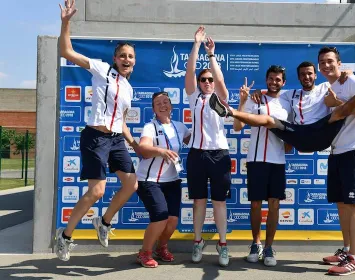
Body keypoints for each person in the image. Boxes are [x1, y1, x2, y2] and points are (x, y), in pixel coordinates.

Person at [55, 0, 139, 261]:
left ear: (134, 62)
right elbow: (67, 52)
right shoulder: (102, 69)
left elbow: (122, 120)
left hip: (116, 140)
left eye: (131, 57)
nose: (126, 59)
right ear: (115, 59)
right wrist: (66, 23)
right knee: (97, 191)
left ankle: (104, 222)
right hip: (95, 137)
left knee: (131, 184)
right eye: (123, 55)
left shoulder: (129, 88)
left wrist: (132, 142)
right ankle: (65, 236)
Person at [209, 61, 355, 153]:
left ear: (316, 75)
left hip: (322, 133)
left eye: (309, 73)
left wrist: (348, 73)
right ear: (298, 78)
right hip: (299, 135)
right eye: (302, 75)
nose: (306, 77)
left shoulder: (326, 87)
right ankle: (229, 111)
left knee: (338, 113)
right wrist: (257, 92)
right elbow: (272, 91)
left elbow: (337, 77)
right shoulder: (290, 93)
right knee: (270, 120)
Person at [316, 47, 355, 276]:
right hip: (337, 151)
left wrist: (338, 102)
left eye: (330, 61)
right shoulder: (328, 87)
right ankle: (347, 250)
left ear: (339, 63)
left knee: (353, 205)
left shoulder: (354, 82)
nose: (326, 65)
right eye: (322, 62)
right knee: (341, 204)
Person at [233, 70, 291, 267]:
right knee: (256, 204)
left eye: (278, 79)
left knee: (274, 205)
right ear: (266, 80)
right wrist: (242, 101)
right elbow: (237, 127)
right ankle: (255, 243)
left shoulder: (287, 102)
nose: (274, 82)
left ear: (283, 82)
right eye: (271, 78)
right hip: (256, 159)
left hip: (278, 161)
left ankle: (268, 247)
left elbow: (292, 135)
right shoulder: (254, 98)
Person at [185, 26, 232, 267]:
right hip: (196, 155)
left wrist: (212, 54)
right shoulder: (194, 98)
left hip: (219, 154)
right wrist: (196, 45)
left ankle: (223, 244)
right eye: (203, 80)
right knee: (199, 201)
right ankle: (197, 241)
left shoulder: (222, 97)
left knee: (219, 202)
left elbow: (221, 80)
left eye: (209, 79)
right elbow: (190, 70)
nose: (206, 82)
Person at [135, 91, 191, 268]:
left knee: (173, 220)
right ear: (153, 108)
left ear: (171, 106)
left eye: (166, 101)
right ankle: (144, 252)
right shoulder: (150, 127)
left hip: (172, 180)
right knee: (160, 217)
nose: (162, 105)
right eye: (158, 103)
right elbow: (143, 148)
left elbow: (196, 139)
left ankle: (162, 247)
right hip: (149, 180)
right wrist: (160, 151)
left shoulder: (180, 126)